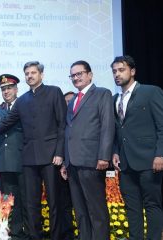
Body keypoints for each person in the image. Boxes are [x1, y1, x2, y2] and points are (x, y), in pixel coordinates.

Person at [0, 61, 67, 239]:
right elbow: (3, 125)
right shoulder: (23, 100)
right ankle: (35, 236)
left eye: (33, 73)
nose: (30, 76)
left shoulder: (54, 91)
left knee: (54, 201)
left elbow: (62, 124)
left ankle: (58, 236)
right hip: (28, 160)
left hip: (51, 157)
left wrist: (59, 152)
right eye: (27, 73)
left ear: (41, 74)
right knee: (31, 203)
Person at [111, 55, 163, 239]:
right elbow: (118, 130)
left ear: (132, 71)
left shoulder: (151, 92)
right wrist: (115, 151)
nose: (117, 74)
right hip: (125, 163)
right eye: (114, 71)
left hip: (149, 160)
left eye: (121, 70)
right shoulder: (114, 98)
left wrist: (160, 154)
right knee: (131, 207)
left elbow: (161, 125)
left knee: (152, 205)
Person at [63, 60, 114, 240]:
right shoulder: (72, 100)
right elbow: (68, 131)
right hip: (72, 163)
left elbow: (108, 126)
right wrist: (64, 161)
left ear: (90, 74)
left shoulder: (102, 94)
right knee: (80, 211)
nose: (76, 78)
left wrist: (104, 156)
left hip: (92, 161)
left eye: (79, 74)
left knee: (96, 210)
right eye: (73, 75)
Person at [0, 74, 29, 239]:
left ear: (16, 89)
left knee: (26, 199)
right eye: (3, 89)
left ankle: (28, 231)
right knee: (10, 201)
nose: (6, 92)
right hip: (5, 161)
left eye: (9, 88)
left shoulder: (25, 106)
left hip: (23, 160)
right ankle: (14, 232)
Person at [59, 91, 76, 240]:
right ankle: (67, 235)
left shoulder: (79, 119)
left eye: (71, 100)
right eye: (66, 101)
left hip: (80, 166)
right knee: (64, 205)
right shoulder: (60, 120)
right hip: (62, 169)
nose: (68, 104)